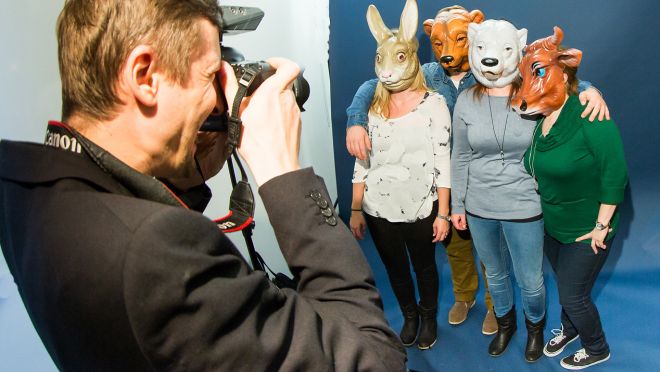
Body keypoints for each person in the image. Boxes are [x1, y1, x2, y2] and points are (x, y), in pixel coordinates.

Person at [0, 1, 407, 371]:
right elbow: (375, 358)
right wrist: (283, 172)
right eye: (212, 74)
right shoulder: (158, 253)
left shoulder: (24, 184)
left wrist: (194, 156)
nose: (220, 100)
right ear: (145, 76)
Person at [450, 19, 610, 362]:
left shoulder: (532, 91)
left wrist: (589, 88)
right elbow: (460, 154)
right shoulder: (465, 100)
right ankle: (506, 325)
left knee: (531, 279)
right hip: (479, 205)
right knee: (494, 273)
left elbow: (561, 79)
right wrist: (458, 205)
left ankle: (535, 329)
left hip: (525, 204)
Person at [347, 5, 498, 335]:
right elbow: (374, 83)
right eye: (440, 42)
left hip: (482, 175)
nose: (448, 52)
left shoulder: (490, 69)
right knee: (456, 245)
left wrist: (586, 89)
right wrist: (356, 121)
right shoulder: (427, 73)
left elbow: (537, 72)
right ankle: (464, 296)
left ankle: (495, 304)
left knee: (488, 246)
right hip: (444, 180)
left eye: (458, 40)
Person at [515, 27, 628, 370]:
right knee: (567, 286)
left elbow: (615, 175)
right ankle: (569, 330)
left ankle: (597, 348)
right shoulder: (544, 116)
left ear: (564, 71)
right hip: (555, 225)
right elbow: (538, 162)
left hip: (587, 228)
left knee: (572, 295)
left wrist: (600, 227)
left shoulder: (590, 114)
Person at [349, 0, 451, 350]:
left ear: (412, 55)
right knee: (395, 268)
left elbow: (443, 161)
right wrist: (356, 208)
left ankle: (428, 316)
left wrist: (443, 212)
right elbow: (362, 162)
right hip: (379, 208)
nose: (387, 70)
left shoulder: (434, 104)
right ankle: (409, 315)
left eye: (398, 58)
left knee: (424, 267)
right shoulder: (372, 108)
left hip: (421, 206)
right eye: (381, 59)